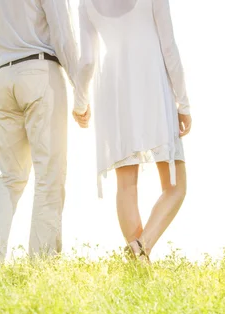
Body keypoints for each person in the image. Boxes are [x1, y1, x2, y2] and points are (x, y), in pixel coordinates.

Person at [73, 0, 192, 261]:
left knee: (126, 186)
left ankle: (138, 256)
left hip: (114, 87)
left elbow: (87, 61)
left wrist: (80, 102)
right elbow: (169, 47)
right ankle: (142, 248)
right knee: (175, 186)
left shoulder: (86, 3)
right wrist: (183, 102)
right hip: (151, 82)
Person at [0, 0, 79, 261]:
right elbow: (63, 35)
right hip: (42, 72)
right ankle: (41, 264)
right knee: (49, 176)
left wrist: (3, 66)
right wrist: (81, 91)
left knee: (10, 176)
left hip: (6, 79)